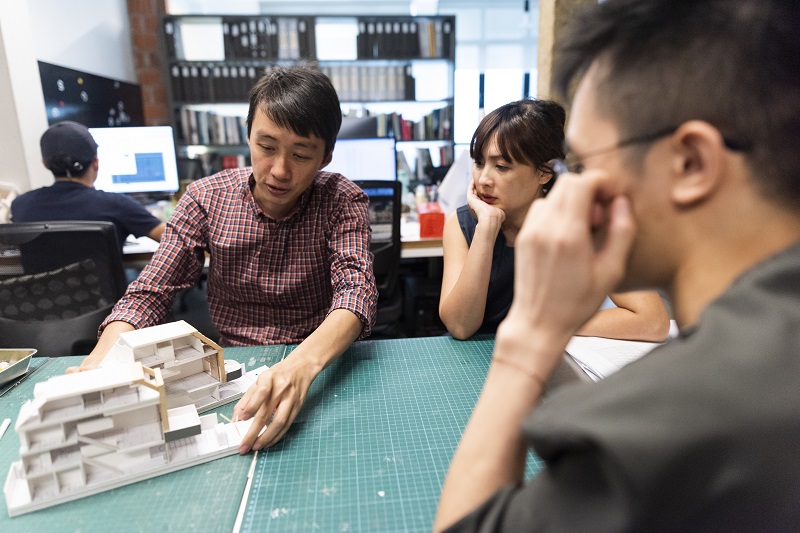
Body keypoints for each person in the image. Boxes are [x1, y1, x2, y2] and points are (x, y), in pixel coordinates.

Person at [435, 0, 800, 531]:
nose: (575, 188)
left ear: (691, 163)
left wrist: (527, 340)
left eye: (584, 164)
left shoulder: (671, 421)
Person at [68, 65, 378, 453]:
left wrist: (300, 367)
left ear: (326, 156)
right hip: (234, 366)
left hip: (320, 361)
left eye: (301, 154)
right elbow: (151, 291)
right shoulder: (205, 198)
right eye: (266, 147)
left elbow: (356, 291)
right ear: (247, 135)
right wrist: (102, 359)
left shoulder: (342, 199)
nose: (279, 171)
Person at [439, 99, 669, 341]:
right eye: (479, 163)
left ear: (544, 173)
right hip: (469, 362)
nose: (483, 178)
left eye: (502, 166)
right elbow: (461, 326)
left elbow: (652, 321)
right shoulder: (462, 224)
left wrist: (548, 323)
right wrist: (486, 229)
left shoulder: (583, 225)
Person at [11, 121, 166, 247]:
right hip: (105, 287)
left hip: (45, 286)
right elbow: (174, 241)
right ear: (96, 162)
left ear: (45, 164)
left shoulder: (20, 205)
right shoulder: (117, 204)